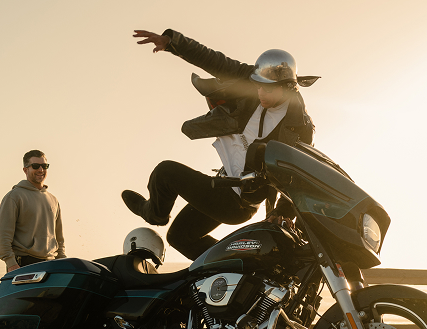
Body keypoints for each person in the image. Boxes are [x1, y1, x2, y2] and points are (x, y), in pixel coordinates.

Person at [122, 29, 319, 260]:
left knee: (165, 172)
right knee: (179, 238)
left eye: (267, 89)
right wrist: (172, 43)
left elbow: (298, 173)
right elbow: (214, 60)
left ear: (286, 86)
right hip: (225, 184)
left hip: (241, 200)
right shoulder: (253, 81)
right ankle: (243, 268)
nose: (260, 93)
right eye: (257, 86)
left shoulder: (299, 126)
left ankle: (153, 214)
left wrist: (283, 212)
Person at [0, 149, 65, 329]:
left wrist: (63, 262)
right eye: (36, 166)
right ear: (25, 169)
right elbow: (3, 233)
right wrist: (10, 262)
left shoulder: (53, 199)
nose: (41, 170)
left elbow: (59, 237)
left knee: (47, 318)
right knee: (20, 317)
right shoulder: (14, 197)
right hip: (24, 263)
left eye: (44, 166)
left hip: (51, 265)